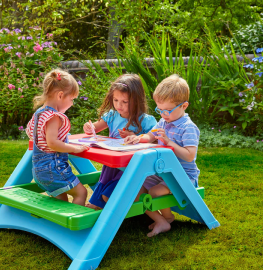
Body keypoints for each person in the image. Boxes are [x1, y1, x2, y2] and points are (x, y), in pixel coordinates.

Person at [125, 74, 200, 237]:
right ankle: (161, 219)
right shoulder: (163, 122)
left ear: (184, 106)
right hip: (162, 173)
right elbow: (150, 136)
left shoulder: (188, 128)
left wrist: (169, 142)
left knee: (155, 192)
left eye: (167, 110)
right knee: (135, 185)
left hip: (183, 176)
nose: (163, 114)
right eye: (160, 110)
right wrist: (137, 138)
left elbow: (189, 156)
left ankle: (167, 217)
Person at [83, 74, 157, 210]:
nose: (119, 105)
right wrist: (89, 127)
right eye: (115, 100)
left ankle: (105, 202)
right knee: (105, 178)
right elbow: (95, 128)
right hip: (112, 163)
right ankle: (98, 203)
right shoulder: (112, 115)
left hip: (132, 166)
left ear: (137, 100)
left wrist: (135, 136)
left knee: (112, 188)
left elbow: (155, 141)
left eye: (125, 102)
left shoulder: (146, 120)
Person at [26, 69, 89, 206]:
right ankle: (75, 223)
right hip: (52, 169)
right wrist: (75, 148)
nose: (72, 104)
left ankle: (58, 225)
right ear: (60, 95)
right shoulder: (54, 117)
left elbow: (31, 133)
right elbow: (52, 143)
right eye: (71, 99)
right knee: (81, 193)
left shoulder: (39, 113)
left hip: (38, 170)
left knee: (61, 201)